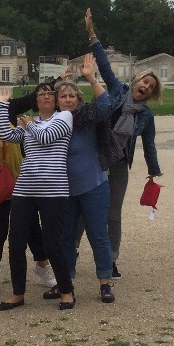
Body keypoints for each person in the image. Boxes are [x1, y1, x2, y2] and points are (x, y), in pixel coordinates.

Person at [83, 9, 162, 279]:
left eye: (151, 87)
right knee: (83, 208)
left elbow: (148, 144)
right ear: (136, 81)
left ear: (151, 94)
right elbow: (103, 64)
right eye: (145, 81)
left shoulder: (146, 115)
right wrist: (92, 33)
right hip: (94, 158)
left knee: (113, 214)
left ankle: (111, 258)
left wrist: (154, 169)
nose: (146, 87)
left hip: (118, 164)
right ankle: (70, 252)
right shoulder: (117, 90)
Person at [0, 77, 59, 297]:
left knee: (33, 227)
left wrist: (57, 80)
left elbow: (32, 97)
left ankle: (42, 266)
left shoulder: (7, 110)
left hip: (23, 181)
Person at [0, 81, 75, 311]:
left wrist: (28, 124)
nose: (46, 96)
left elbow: (47, 137)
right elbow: (6, 135)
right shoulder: (29, 123)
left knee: (52, 244)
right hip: (25, 189)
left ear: (56, 99)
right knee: (16, 242)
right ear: (36, 100)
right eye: (41, 94)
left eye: (50, 93)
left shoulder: (64, 118)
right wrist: (2, 106)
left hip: (54, 190)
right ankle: (18, 292)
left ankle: (66, 290)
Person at [55, 54, 117, 303]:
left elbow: (106, 105)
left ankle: (105, 281)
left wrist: (91, 77)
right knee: (67, 237)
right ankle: (66, 282)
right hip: (65, 189)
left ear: (78, 99)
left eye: (72, 96)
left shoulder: (87, 116)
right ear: (57, 101)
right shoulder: (53, 122)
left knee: (98, 235)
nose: (68, 99)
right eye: (63, 96)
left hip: (93, 185)